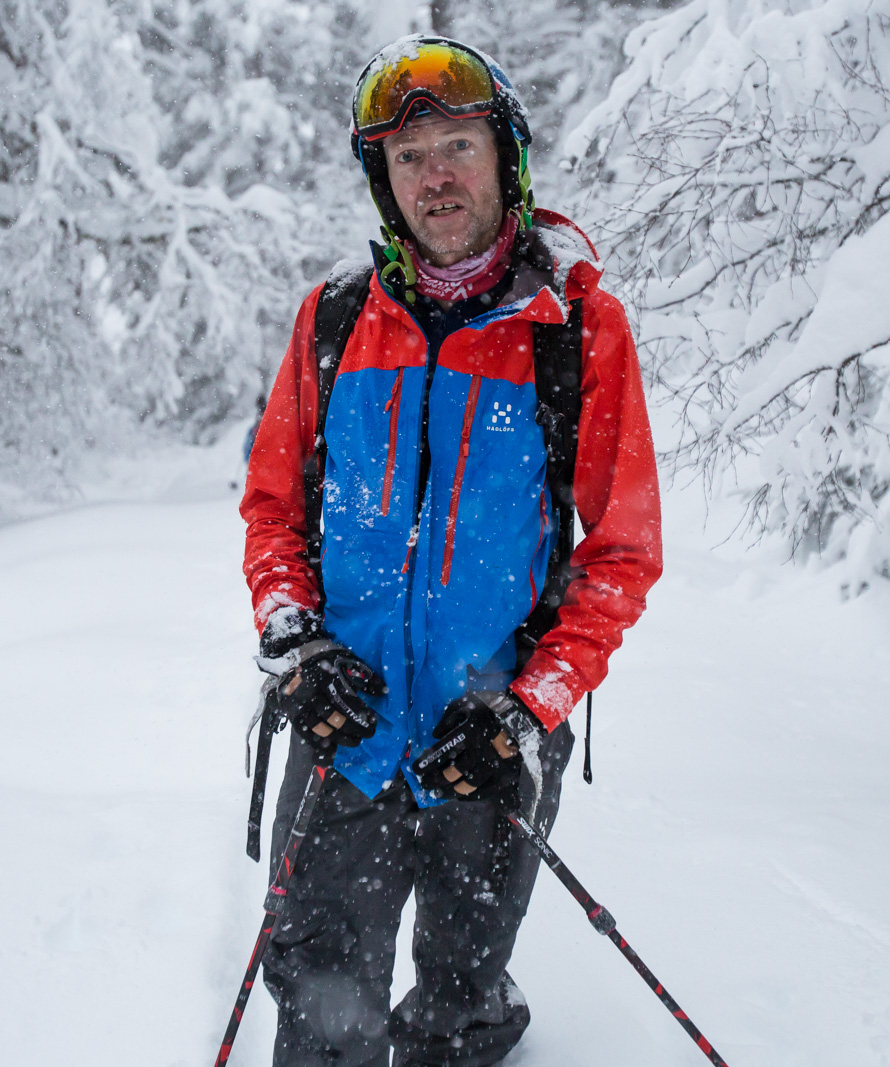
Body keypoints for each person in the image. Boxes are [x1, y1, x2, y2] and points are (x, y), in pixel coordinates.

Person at [239, 35, 662, 1067]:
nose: (436, 175)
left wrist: (529, 708)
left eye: (458, 145)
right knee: (321, 997)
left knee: (460, 996)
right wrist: (294, 643)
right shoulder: (337, 319)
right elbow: (271, 513)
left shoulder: (576, 330)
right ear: (384, 183)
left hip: (489, 738)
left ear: (505, 156)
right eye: (408, 155)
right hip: (348, 727)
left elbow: (620, 554)